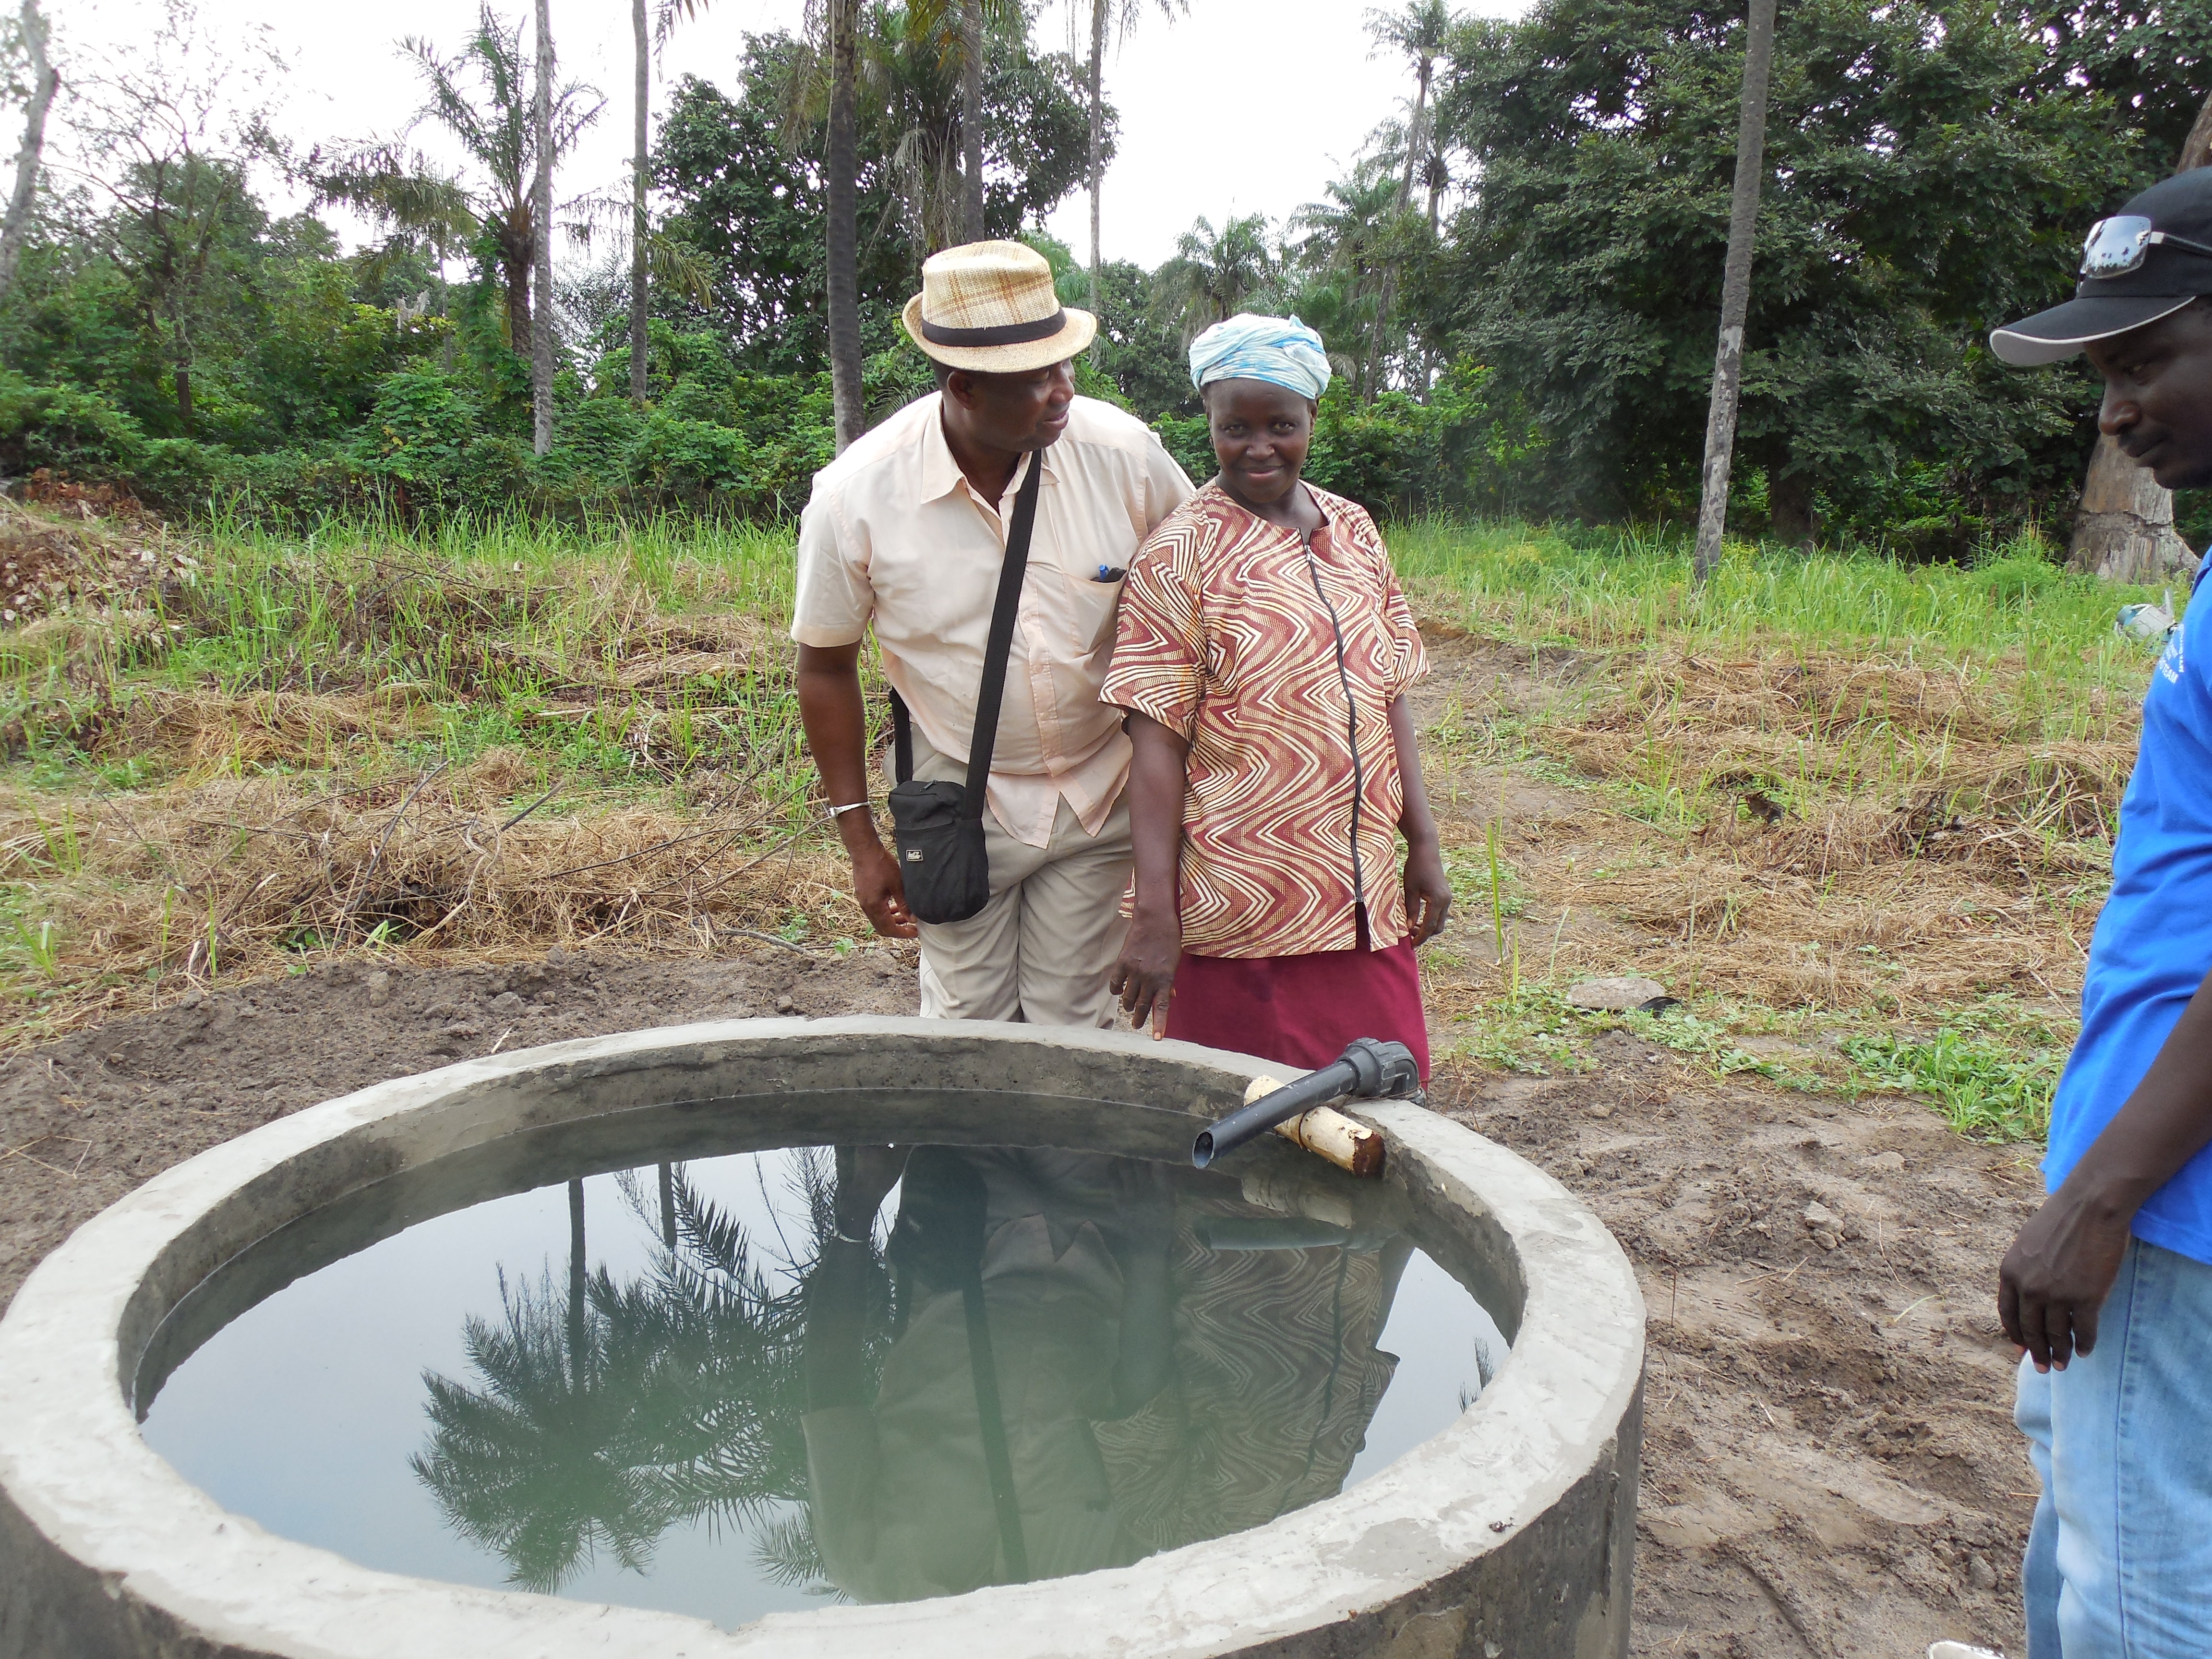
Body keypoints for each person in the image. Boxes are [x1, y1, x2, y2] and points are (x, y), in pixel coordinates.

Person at [1988, 167, 2212, 1659]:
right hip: (2159, 1163)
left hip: (2177, 1199)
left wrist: (2104, 1198)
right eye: (2103, 375)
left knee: (2142, 1584)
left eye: (2145, 363)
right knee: (2095, 1527)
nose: (2116, 412)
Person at [792, 240, 1192, 1026]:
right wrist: (861, 843)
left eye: (1064, 364)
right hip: (959, 802)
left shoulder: (1123, 456)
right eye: (1036, 379)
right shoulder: (856, 498)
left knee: (1074, 1024)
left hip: (1101, 786)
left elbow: (1203, 589)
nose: (1063, 391)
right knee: (965, 1028)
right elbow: (825, 666)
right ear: (964, 388)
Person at [1101, 314, 1450, 1076]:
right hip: (1242, 905)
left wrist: (1421, 843)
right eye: (1236, 428)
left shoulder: (1354, 530)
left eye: (1281, 426)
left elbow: (1391, 698)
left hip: (1361, 901)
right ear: (1210, 421)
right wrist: (1155, 911)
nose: (1258, 447)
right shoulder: (1179, 552)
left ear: (1312, 417)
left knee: (1383, 1099)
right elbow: (1155, 741)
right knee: (1244, 1114)